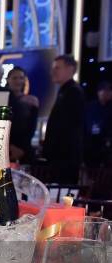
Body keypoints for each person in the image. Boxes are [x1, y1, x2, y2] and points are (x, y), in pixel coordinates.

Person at [42, 55, 86, 183]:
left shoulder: (73, 92)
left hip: (65, 157)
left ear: (70, 69)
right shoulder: (65, 91)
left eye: (57, 68)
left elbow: (67, 127)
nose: (52, 72)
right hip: (61, 157)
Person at [5, 66, 39, 164]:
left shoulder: (32, 101)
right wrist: (9, 146)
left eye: (21, 78)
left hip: (24, 150)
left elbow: (32, 127)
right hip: (2, 148)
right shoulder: (0, 99)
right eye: (15, 78)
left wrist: (21, 149)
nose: (18, 81)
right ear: (8, 80)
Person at [85, 81, 112, 166]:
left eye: (109, 91)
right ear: (99, 92)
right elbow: (86, 125)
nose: (107, 93)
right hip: (91, 144)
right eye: (105, 91)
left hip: (107, 146)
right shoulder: (90, 107)